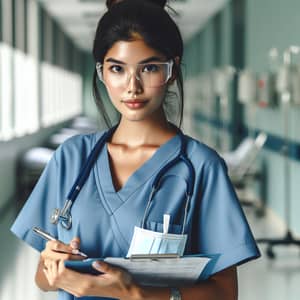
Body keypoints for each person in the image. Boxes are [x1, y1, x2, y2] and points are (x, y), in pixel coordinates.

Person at [11, 0, 260, 299]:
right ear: (102, 72)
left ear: (172, 70)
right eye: (117, 68)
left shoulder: (200, 167)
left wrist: (134, 293)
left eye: (150, 68)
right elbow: (42, 278)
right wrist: (55, 269)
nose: (132, 86)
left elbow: (224, 293)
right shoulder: (71, 158)